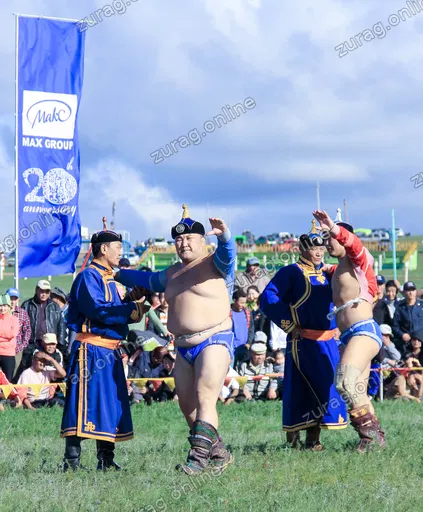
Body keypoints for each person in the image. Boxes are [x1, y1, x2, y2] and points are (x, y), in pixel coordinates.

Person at [116, 205, 237, 475]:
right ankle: (218, 452)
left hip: (214, 339)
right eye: (179, 239)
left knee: (205, 396)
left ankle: (197, 460)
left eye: (189, 238)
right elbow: (146, 279)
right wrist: (116, 272)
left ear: (203, 241)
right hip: (183, 346)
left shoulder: (215, 263)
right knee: (187, 405)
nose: (183, 243)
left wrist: (225, 235)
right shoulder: (171, 273)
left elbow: (229, 253)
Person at [60, 230, 149, 472]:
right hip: (90, 350)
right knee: (82, 403)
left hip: (110, 351)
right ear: (103, 249)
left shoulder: (110, 277)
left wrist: (134, 299)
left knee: (109, 404)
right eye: (117, 247)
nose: (121, 251)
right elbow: (99, 310)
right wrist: (132, 310)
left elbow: (113, 308)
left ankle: (106, 460)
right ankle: (72, 462)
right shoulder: (88, 276)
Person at [261, 221, 347, 450]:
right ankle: (293, 439)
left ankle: (313, 439)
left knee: (326, 388)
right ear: (301, 249)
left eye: (321, 248)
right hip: (302, 342)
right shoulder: (291, 272)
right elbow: (268, 298)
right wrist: (289, 325)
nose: (318, 252)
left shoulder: (328, 273)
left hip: (328, 342)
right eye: (313, 248)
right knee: (300, 389)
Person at [313, 209, 386, 452]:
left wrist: (334, 227)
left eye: (331, 239)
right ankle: (372, 441)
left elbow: (353, 244)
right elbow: (324, 269)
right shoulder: (337, 269)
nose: (327, 244)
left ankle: (372, 435)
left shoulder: (359, 260)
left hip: (364, 331)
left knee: (345, 381)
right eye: (325, 240)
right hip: (349, 336)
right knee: (356, 390)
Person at [21, 280, 66, 367]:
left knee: (49, 369)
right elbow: (20, 325)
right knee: (28, 368)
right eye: (41, 291)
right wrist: (24, 342)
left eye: (47, 291)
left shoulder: (54, 306)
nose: (44, 294)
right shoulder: (27, 305)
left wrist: (60, 343)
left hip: (49, 344)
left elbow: (61, 326)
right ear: (36, 290)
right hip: (31, 344)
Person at [5, 288, 31, 379]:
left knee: (13, 373)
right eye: (10, 298)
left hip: (17, 349)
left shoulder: (22, 313)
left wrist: (23, 345)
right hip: (3, 348)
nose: (12, 301)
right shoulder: (2, 312)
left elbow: (27, 330)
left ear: (18, 300)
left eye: (14, 299)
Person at [393, 281, 423, 355]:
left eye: (413, 290)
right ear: (404, 292)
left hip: (421, 341)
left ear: (416, 291)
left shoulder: (421, 306)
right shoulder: (400, 308)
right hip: (407, 343)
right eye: (408, 290)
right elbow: (395, 326)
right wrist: (402, 334)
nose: (411, 292)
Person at [0, 294, 20, 381]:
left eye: (4, 306)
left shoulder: (14, 320)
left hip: (8, 354)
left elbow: (12, 334)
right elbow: (8, 335)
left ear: (8, 306)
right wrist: (6, 336)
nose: (2, 308)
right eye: (0, 306)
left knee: (8, 380)